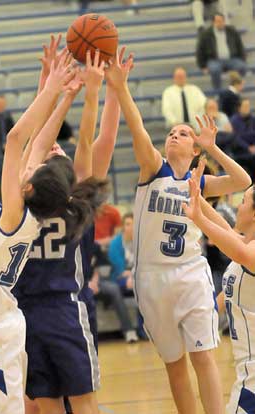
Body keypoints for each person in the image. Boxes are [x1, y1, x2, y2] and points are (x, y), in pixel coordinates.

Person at [106, 48, 251, 414]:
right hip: (151, 277)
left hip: (189, 273)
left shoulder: (198, 181)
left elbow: (242, 180)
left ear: (193, 146)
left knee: (203, 358)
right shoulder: (152, 168)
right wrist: (121, 89)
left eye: (183, 133)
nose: (174, 136)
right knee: (174, 367)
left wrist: (214, 147)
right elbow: (137, 127)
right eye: (171, 132)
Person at [0, 50, 108, 414]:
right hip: (13, 321)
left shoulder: (13, 215)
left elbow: (18, 141)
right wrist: (64, 94)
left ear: (27, 188)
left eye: (31, 171)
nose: (27, 166)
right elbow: (34, 145)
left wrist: (55, 90)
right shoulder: (25, 209)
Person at [14, 39, 133, 414]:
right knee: (74, 401)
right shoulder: (76, 204)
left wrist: (50, 85)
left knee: (46, 400)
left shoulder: (19, 204)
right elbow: (72, 140)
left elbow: (33, 141)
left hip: (29, 309)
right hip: (66, 305)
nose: (52, 149)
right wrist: (100, 90)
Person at [183, 162, 255, 413]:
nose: (238, 206)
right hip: (247, 374)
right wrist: (192, 192)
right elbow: (225, 230)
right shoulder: (247, 243)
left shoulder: (249, 251)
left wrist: (199, 218)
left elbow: (236, 249)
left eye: (244, 201)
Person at [107, 212, 148, 340]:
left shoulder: (141, 242)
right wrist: (131, 276)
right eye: (127, 224)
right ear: (123, 226)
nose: (130, 227)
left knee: (143, 289)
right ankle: (137, 330)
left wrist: (133, 275)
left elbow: (144, 263)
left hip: (136, 278)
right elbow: (119, 268)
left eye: (133, 224)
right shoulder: (115, 243)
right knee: (138, 286)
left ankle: (144, 330)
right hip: (118, 279)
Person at [196, 13, 247, 91]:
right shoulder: (206, 34)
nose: (220, 23)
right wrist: (203, 66)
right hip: (214, 60)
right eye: (218, 21)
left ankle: (236, 89)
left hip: (231, 59)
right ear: (213, 22)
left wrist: (242, 59)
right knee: (215, 70)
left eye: (222, 21)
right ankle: (218, 92)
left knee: (241, 66)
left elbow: (240, 45)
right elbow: (200, 51)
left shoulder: (232, 31)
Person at [230, 99, 255, 180]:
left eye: (248, 106)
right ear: (239, 108)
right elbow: (236, 138)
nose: (247, 108)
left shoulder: (252, 119)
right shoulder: (234, 120)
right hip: (240, 150)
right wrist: (248, 147)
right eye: (245, 106)